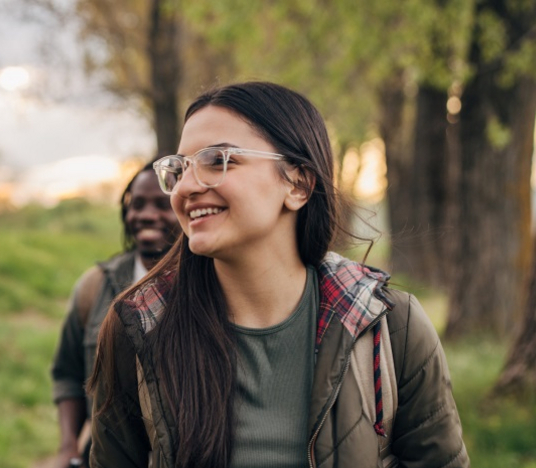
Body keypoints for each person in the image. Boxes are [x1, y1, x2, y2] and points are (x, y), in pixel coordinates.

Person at [88, 82, 469, 468]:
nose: (185, 187)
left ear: (299, 184)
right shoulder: (140, 328)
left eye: (218, 160)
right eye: (180, 167)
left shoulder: (391, 328)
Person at [50, 165, 180, 467]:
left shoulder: (213, 286)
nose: (147, 215)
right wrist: (68, 446)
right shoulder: (94, 287)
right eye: (137, 204)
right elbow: (68, 375)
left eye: (163, 205)